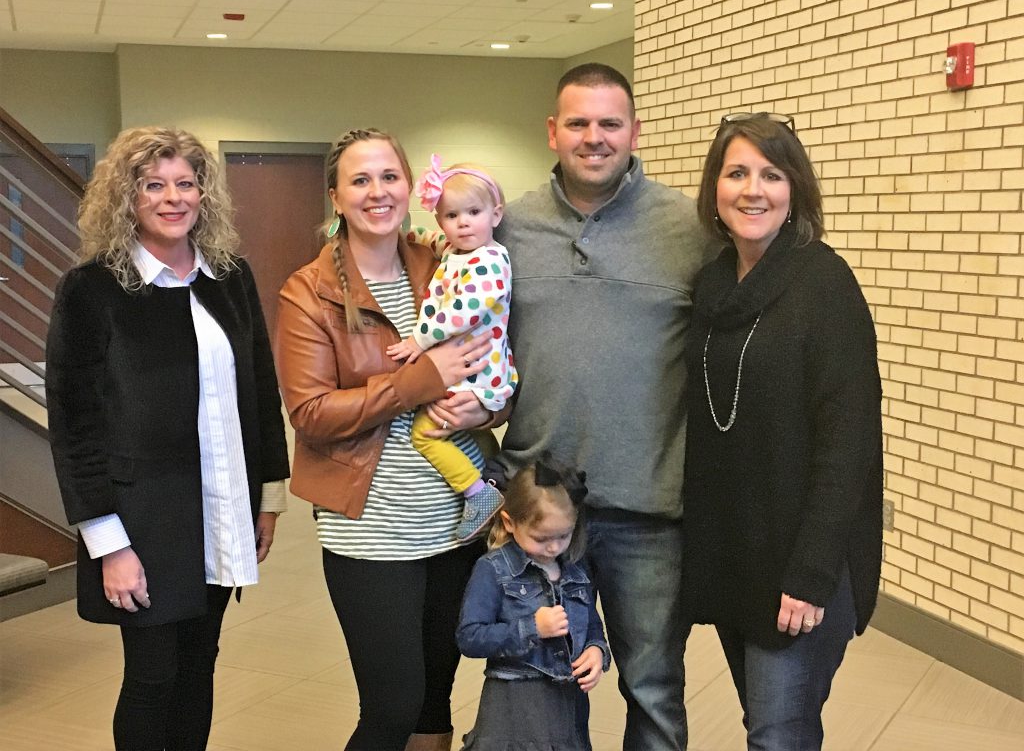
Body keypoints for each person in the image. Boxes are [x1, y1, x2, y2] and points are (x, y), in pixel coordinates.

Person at [45, 126, 290, 751]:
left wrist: (268, 497)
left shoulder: (228, 277)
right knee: (152, 676)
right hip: (141, 521)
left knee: (199, 663)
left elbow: (260, 390)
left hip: (222, 508)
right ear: (126, 197)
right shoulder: (92, 288)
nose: (172, 198)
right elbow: (74, 426)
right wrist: (108, 544)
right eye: (153, 185)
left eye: (186, 183)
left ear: (204, 194)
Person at [495, 63, 716, 750]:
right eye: (579, 123)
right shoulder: (508, 227)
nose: (594, 137)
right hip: (537, 506)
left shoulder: (690, 228)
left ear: (634, 132)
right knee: (539, 684)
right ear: (553, 131)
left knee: (652, 689)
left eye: (610, 123)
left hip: (649, 512)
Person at [274, 128, 495, 751]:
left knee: (434, 699)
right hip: (371, 530)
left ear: (410, 186)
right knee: (392, 706)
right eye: (360, 180)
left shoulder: (442, 261)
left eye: (390, 176)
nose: (378, 192)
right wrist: (417, 381)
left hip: (456, 518)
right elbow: (311, 413)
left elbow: (491, 355)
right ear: (335, 197)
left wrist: (486, 408)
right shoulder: (309, 290)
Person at [683, 112, 883, 750]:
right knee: (768, 725)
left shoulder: (824, 284)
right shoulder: (713, 284)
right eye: (736, 173)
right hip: (737, 555)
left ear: (795, 188)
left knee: (777, 734)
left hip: (802, 560)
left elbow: (848, 444)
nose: (753, 190)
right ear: (714, 188)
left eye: (771, 175)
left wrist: (812, 572)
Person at [386, 155, 517, 541]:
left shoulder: (490, 261)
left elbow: (461, 312)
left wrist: (418, 339)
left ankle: (477, 493)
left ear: (496, 214)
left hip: (478, 371)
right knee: (455, 429)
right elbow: (435, 241)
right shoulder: (458, 251)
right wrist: (412, 236)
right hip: (466, 369)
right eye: (451, 215)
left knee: (424, 433)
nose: (463, 223)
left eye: (474, 212)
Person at [457, 456, 609, 750]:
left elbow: (591, 624)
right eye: (541, 538)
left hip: (567, 711)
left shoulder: (575, 570)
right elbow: (470, 637)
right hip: (513, 710)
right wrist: (531, 628)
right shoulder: (492, 569)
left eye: (563, 536)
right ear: (510, 522)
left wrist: (596, 650)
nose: (553, 547)